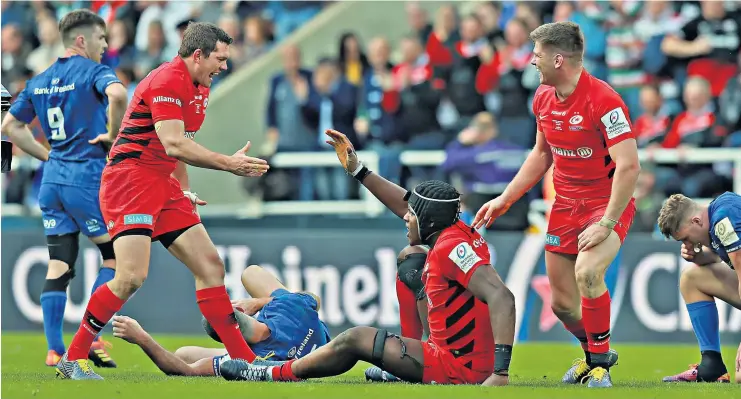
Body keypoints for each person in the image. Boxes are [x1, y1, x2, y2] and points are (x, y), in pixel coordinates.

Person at [55, 22, 270, 380]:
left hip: (162, 182)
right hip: (130, 180)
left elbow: (178, 149)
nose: (225, 66)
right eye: (220, 58)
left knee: (211, 266)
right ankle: (72, 357)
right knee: (130, 277)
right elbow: (173, 143)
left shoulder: (201, 86)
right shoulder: (166, 80)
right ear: (197, 55)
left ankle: (245, 361)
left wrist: (181, 190)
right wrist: (228, 164)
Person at [219, 129, 516, 386]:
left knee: (355, 339)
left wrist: (500, 373)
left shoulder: (452, 248)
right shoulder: (452, 229)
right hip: (454, 355)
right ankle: (411, 360)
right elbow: (405, 204)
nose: (405, 217)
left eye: (412, 215)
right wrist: (358, 170)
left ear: (428, 222)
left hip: (459, 368)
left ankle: (272, 372)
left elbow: (503, 297)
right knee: (411, 259)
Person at [473, 22, 641, 388]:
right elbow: (542, 153)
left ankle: (600, 367)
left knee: (588, 273)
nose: (532, 61)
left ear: (558, 59)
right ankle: (594, 355)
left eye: (537, 55)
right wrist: (505, 199)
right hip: (565, 205)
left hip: (606, 203)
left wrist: (607, 223)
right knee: (562, 305)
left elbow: (629, 166)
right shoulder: (543, 99)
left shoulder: (605, 101)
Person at [0, 9, 129, 368]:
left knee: (59, 264)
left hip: (52, 182)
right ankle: (91, 337)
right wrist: (113, 136)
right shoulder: (94, 72)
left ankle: (55, 349)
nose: (105, 46)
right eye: (102, 39)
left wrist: (47, 157)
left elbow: (9, 126)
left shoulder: (39, 79)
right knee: (117, 260)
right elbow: (118, 96)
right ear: (82, 40)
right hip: (85, 179)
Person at [110, 265, 331, 377]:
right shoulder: (284, 309)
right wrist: (260, 302)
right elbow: (315, 300)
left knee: (184, 356)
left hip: (285, 354)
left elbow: (186, 372)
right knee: (252, 273)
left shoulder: (247, 357)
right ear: (242, 312)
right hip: (319, 342)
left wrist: (142, 338)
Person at [656, 193, 741, 384]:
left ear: (696, 221)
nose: (687, 244)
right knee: (691, 278)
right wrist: (698, 256)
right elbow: (718, 256)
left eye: (685, 238)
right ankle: (712, 366)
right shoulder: (717, 212)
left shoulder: (723, 219)